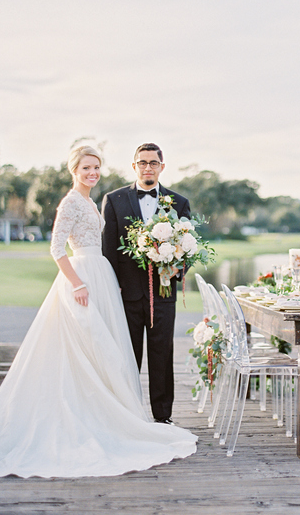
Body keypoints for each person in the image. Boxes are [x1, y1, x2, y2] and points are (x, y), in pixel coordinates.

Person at [0, 146, 197, 478]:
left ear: (161, 166)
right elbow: (60, 247)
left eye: (96, 167)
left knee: (102, 350)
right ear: (74, 170)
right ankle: (96, 417)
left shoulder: (90, 201)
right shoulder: (79, 201)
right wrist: (78, 284)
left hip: (107, 282)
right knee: (91, 348)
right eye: (86, 168)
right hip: (86, 281)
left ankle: (123, 414)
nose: (92, 173)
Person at [101, 142, 190, 425]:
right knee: (127, 356)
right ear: (134, 166)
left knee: (162, 355)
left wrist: (177, 267)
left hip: (163, 293)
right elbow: (109, 249)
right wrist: (112, 287)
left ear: (162, 167)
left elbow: (187, 248)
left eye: (153, 163)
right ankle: (128, 414)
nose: (148, 167)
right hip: (127, 293)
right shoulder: (113, 200)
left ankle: (163, 417)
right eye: (142, 162)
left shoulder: (179, 202)